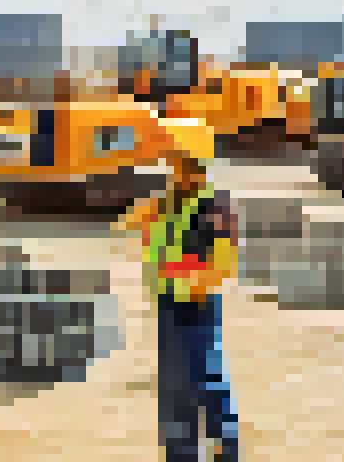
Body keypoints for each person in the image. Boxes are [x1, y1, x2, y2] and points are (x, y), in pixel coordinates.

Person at [113, 118, 239, 462]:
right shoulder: (165, 203)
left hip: (197, 304)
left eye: (179, 162)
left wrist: (175, 267)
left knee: (207, 380)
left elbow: (223, 266)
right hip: (168, 303)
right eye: (171, 162)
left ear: (197, 164)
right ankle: (179, 453)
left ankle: (225, 447)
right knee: (173, 387)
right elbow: (132, 228)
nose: (173, 170)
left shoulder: (215, 206)